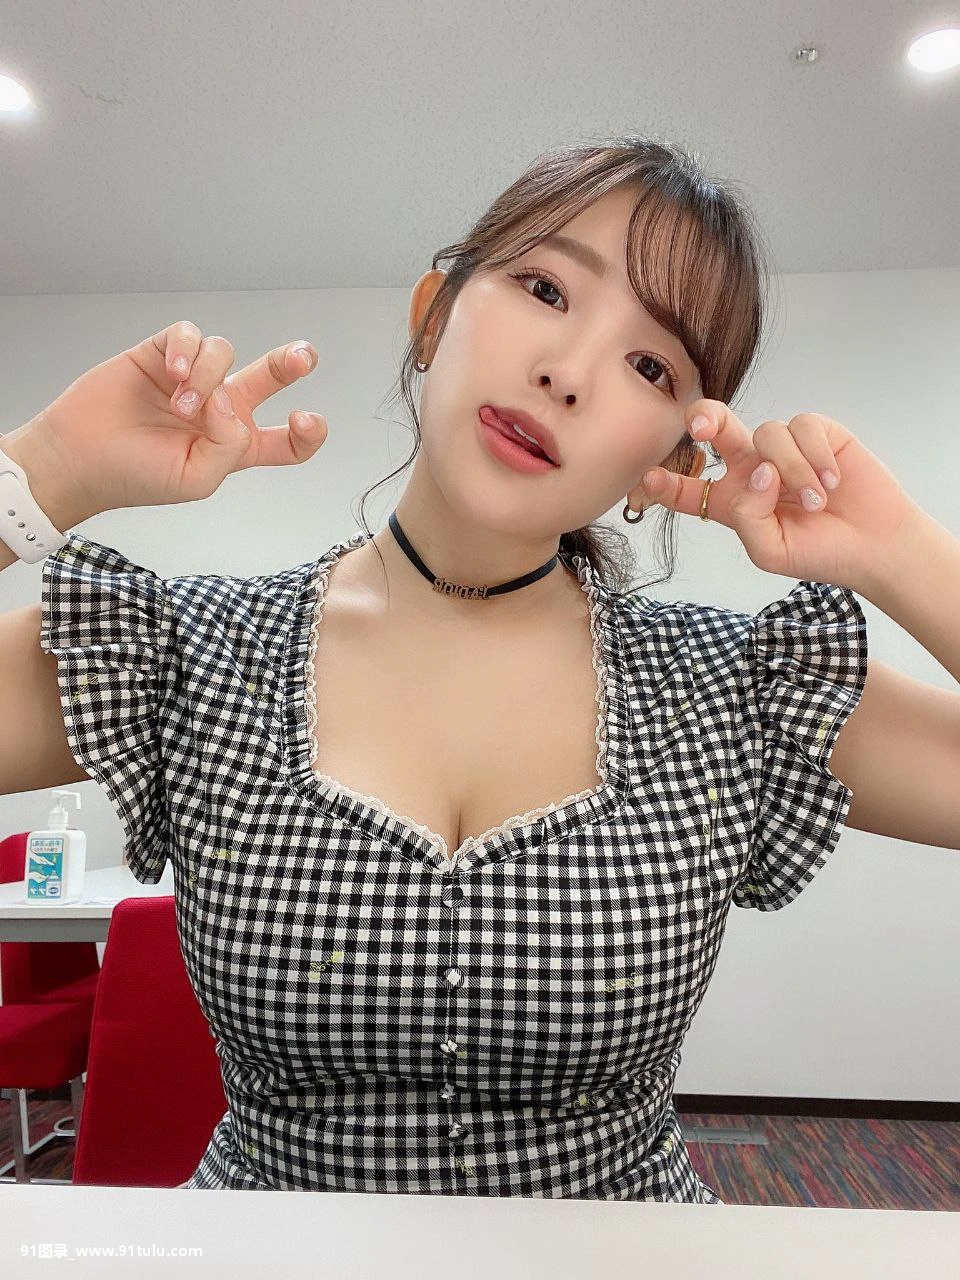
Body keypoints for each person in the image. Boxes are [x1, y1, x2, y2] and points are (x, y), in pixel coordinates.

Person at [0, 137, 869, 1199]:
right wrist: (41, 472)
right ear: (432, 315)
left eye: (650, 366)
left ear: (673, 456)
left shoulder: (730, 687)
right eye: (545, 288)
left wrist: (891, 551)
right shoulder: (190, 650)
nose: (566, 373)